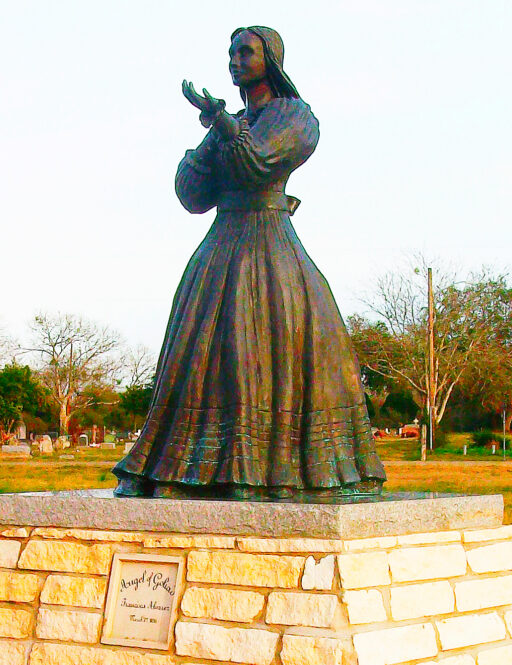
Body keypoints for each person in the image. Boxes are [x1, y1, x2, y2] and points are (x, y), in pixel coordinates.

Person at [113, 26, 385, 500]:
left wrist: (222, 126)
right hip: (220, 247)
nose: (235, 60)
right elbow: (192, 196)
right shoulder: (232, 122)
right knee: (201, 358)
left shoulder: (296, 116)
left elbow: (257, 163)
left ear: (271, 60)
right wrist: (215, 134)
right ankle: (186, 468)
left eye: (246, 52)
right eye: (231, 53)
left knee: (269, 350)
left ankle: (273, 470)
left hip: (271, 248)